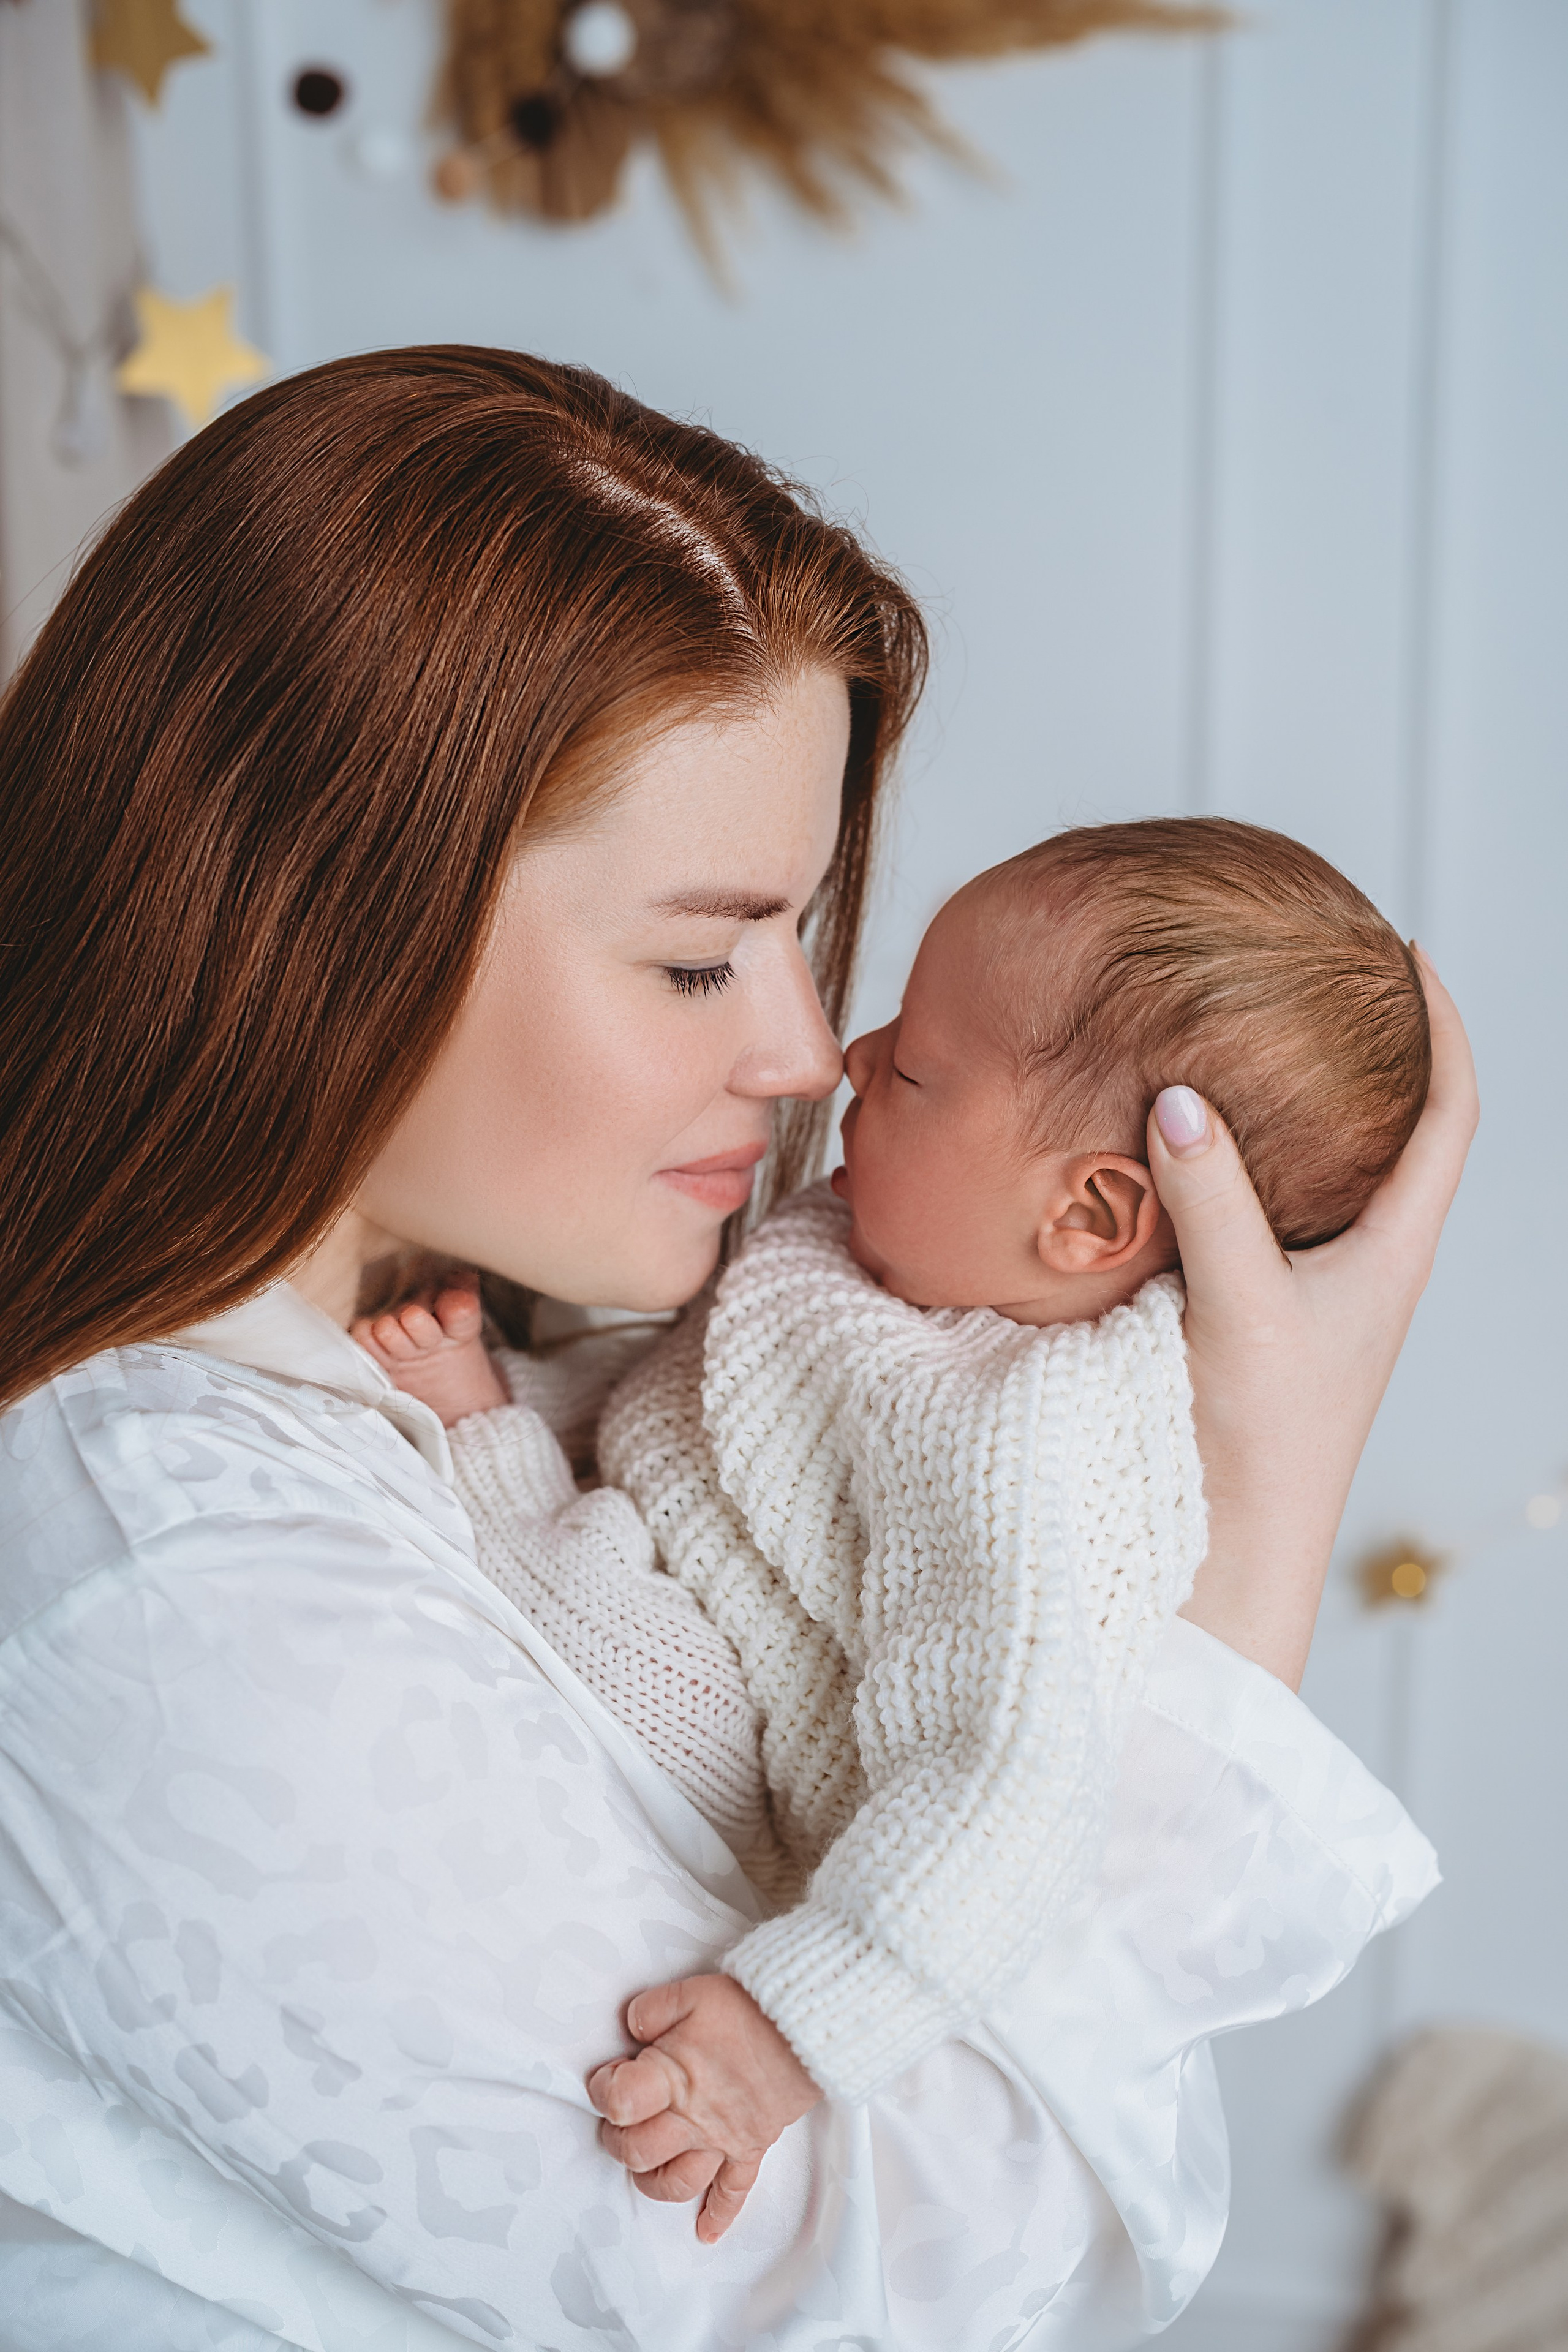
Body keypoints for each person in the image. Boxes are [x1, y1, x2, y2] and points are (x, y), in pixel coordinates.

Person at [0, 347, 1476, 2352]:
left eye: (796, 933)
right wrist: (1254, 1573)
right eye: (700, 956)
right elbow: (894, 2295)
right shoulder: (180, 1605)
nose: (803, 1052)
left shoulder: (498, 1338)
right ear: (320, 920)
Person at [353, 814, 1434, 2241]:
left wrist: (787, 2028)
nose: (848, 1057)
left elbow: (1002, 1784)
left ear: (1091, 1214)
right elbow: (704, 1406)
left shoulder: (1025, 1442)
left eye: (916, 1068)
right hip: (675, 1534)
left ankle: (481, 1458)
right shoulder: (884, 1257)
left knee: (633, 1640)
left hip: (751, 1775)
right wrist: (556, 1390)